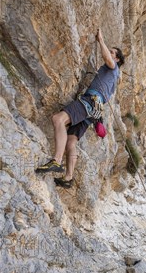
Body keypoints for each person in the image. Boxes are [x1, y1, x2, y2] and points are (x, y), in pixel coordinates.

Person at [35, 29, 125, 188]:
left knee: (58, 119)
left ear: (117, 59)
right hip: (94, 109)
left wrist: (101, 40)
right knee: (71, 141)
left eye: (112, 53)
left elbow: (107, 59)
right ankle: (68, 178)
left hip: (89, 101)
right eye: (110, 51)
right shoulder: (114, 77)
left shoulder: (113, 68)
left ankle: (56, 161)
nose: (109, 53)